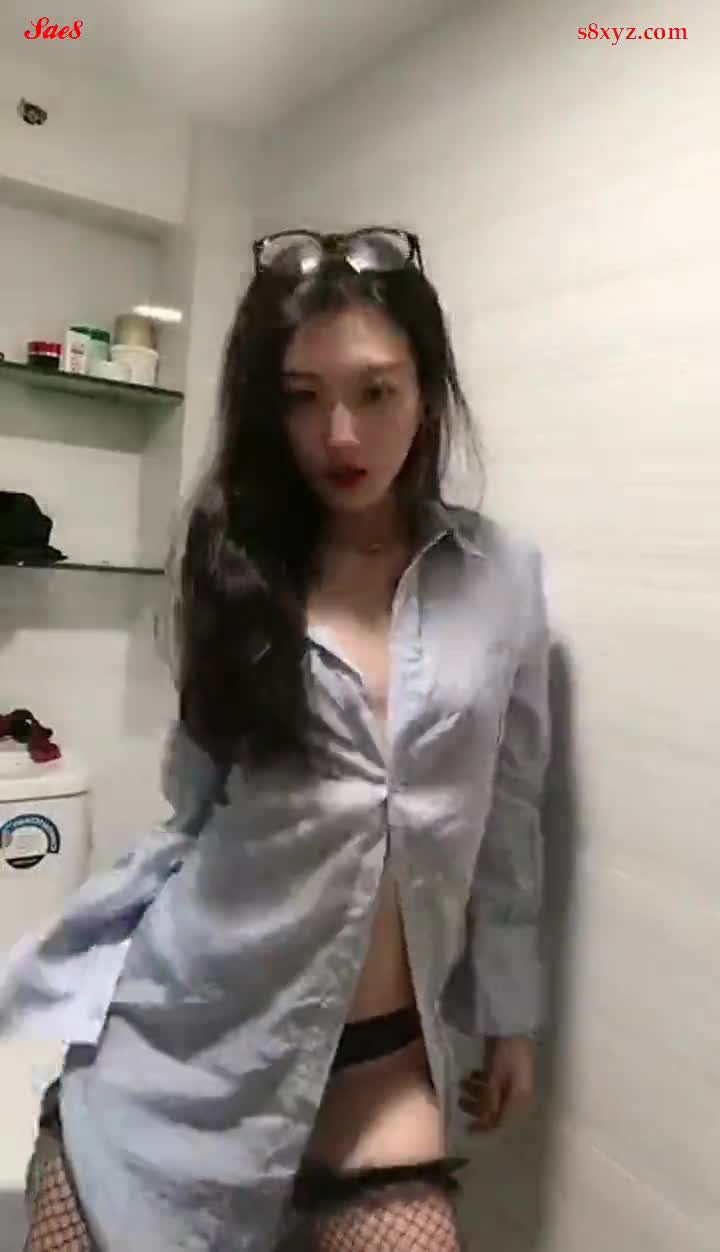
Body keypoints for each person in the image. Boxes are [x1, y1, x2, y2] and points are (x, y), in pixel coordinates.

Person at [0, 227, 550, 1251]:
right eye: (303, 397)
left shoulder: (502, 580)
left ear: (427, 392)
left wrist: (509, 1012)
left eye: (376, 391)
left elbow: (511, 815)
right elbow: (195, 808)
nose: (340, 434)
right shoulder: (234, 566)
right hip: (189, 1045)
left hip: (381, 1076)